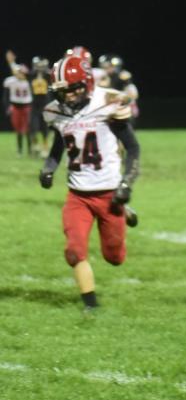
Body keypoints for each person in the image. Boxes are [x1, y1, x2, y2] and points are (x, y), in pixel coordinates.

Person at [39, 53, 140, 312]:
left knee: (114, 258)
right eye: (63, 91)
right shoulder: (54, 112)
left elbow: (133, 148)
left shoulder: (108, 102)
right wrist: (49, 167)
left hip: (109, 193)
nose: (69, 96)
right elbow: (59, 143)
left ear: (87, 84)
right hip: (78, 195)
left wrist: (127, 183)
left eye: (74, 89)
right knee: (74, 250)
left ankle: (123, 211)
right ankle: (90, 306)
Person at [98, 54, 140, 126]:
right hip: (106, 106)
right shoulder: (100, 77)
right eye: (105, 67)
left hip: (120, 104)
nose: (107, 69)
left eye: (109, 66)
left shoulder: (123, 76)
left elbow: (133, 94)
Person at [3, 62, 33, 156]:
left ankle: (29, 150)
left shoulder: (29, 81)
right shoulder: (11, 81)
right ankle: (20, 150)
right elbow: (5, 96)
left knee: (27, 128)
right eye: (18, 72)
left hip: (27, 106)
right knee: (18, 129)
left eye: (21, 72)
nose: (20, 74)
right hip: (15, 107)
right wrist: (8, 106)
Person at [29, 56, 52, 156]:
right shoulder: (32, 75)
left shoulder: (47, 75)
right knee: (33, 127)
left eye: (41, 66)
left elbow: (52, 74)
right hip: (34, 104)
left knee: (44, 127)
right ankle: (35, 145)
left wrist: (45, 68)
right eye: (37, 66)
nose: (39, 67)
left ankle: (45, 147)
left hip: (45, 104)